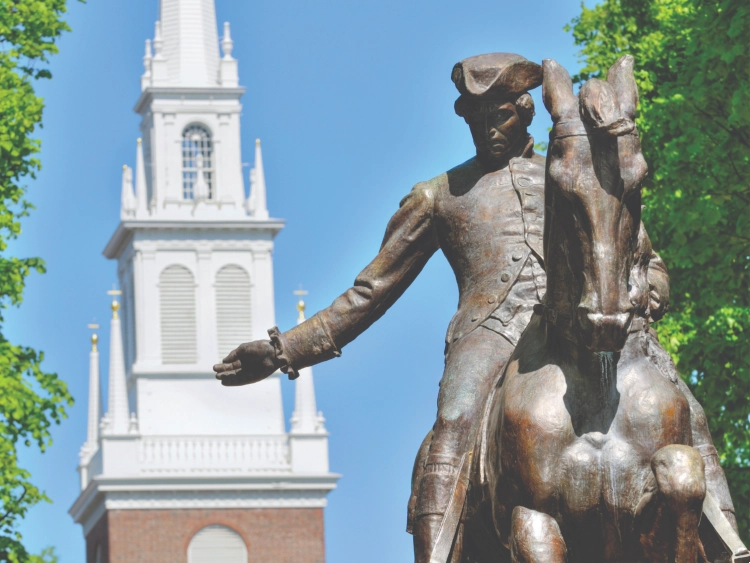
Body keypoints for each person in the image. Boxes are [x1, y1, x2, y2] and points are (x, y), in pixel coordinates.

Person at [214, 53, 549, 561]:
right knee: (455, 423)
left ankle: (716, 525)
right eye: (475, 123)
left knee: (671, 405)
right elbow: (371, 292)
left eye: (497, 118)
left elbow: (635, 253)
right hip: (490, 335)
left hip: (579, 326)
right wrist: (285, 351)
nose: (487, 134)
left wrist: (651, 282)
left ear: (525, 111)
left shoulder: (570, 177)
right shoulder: (438, 196)